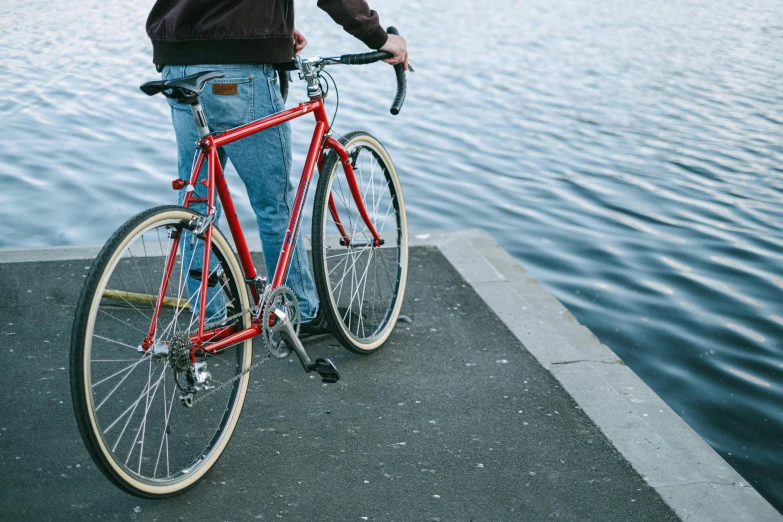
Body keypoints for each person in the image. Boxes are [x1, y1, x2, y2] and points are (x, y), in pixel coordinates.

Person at [145, 0, 408, 334]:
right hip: (239, 73)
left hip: (177, 64)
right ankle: (301, 312)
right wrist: (380, 38)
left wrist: (271, 31)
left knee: (196, 204)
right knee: (274, 205)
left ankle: (209, 321)